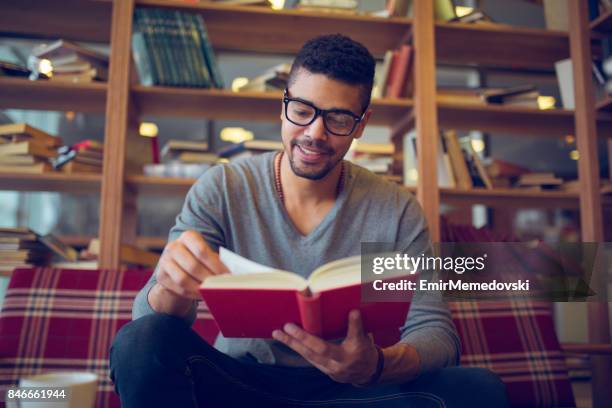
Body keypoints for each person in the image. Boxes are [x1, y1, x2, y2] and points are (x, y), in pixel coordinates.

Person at [110, 34, 508, 407]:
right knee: (141, 342)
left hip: (350, 392)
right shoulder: (224, 187)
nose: (314, 133)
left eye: (337, 119)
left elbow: (437, 332)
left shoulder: (396, 210)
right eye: (301, 111)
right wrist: (169, 285)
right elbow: (147, 327)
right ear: (283, 103)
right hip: (240, 383)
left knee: (481, 391)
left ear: (361, 124)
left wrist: (377, 366)